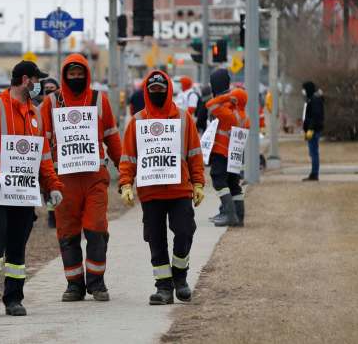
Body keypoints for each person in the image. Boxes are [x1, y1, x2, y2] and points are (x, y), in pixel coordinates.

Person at [0, 61, 64, 316]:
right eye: (36, 80)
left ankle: (13, 299)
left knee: (17, 245)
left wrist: (52, 185)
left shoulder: (35, 115)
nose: (39, 85)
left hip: (23, 193)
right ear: (25, 80)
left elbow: (43, 157)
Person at [40, 53, 122, 302]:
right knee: (67, 233)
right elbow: (41, 142)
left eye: (80, 74)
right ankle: (74, 285)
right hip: (63, 180)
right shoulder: (51, 103)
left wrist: (127, 172)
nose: (76, 78)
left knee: (97, 227)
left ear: (87, 75)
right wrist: (43, 179)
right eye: (71, 75)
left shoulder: (99, 100)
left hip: (94, 177)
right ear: (65, 76)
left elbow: (112, 138)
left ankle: (97, 283)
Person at [119, 70, 205, 305]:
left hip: (180, 189)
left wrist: (198, 182)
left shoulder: (184, 118)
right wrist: (126, 183)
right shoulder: (137, 121)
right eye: (153, 90)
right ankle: (164, 287)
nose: (157, 93)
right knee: (155, 239)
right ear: (147, 92)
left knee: (185, 231)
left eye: (161, 89)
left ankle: (180, 276)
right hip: (151, 192)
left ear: (168, 90)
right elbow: (128, 157)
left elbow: (195, 154)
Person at [205, 69, 249, 227]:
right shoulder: (241, 113)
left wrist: (225, 97)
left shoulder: (226, 111)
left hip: (221, 151)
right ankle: (238, 217)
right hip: (235, 154)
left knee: (218, 180)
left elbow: (209, 105)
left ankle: (229, 214)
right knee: (233, 183)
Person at [40, 77, 60, 228]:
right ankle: (52, 215)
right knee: (46, 188)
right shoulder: (37, 109)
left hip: (59, 156)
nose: (49, 92)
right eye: (46, 89)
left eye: (52, 89)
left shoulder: (62, 108)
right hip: (44, 155)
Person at [302, 81, 324, 181]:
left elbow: (315, 116)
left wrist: (310, 129)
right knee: (312, 152)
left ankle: (314, 174)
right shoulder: (312, 99)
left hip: (314, 130)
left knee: (314, 152)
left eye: (304, 89)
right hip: (312, 130)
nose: (303, 91)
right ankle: (313, 173)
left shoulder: (314, 100)